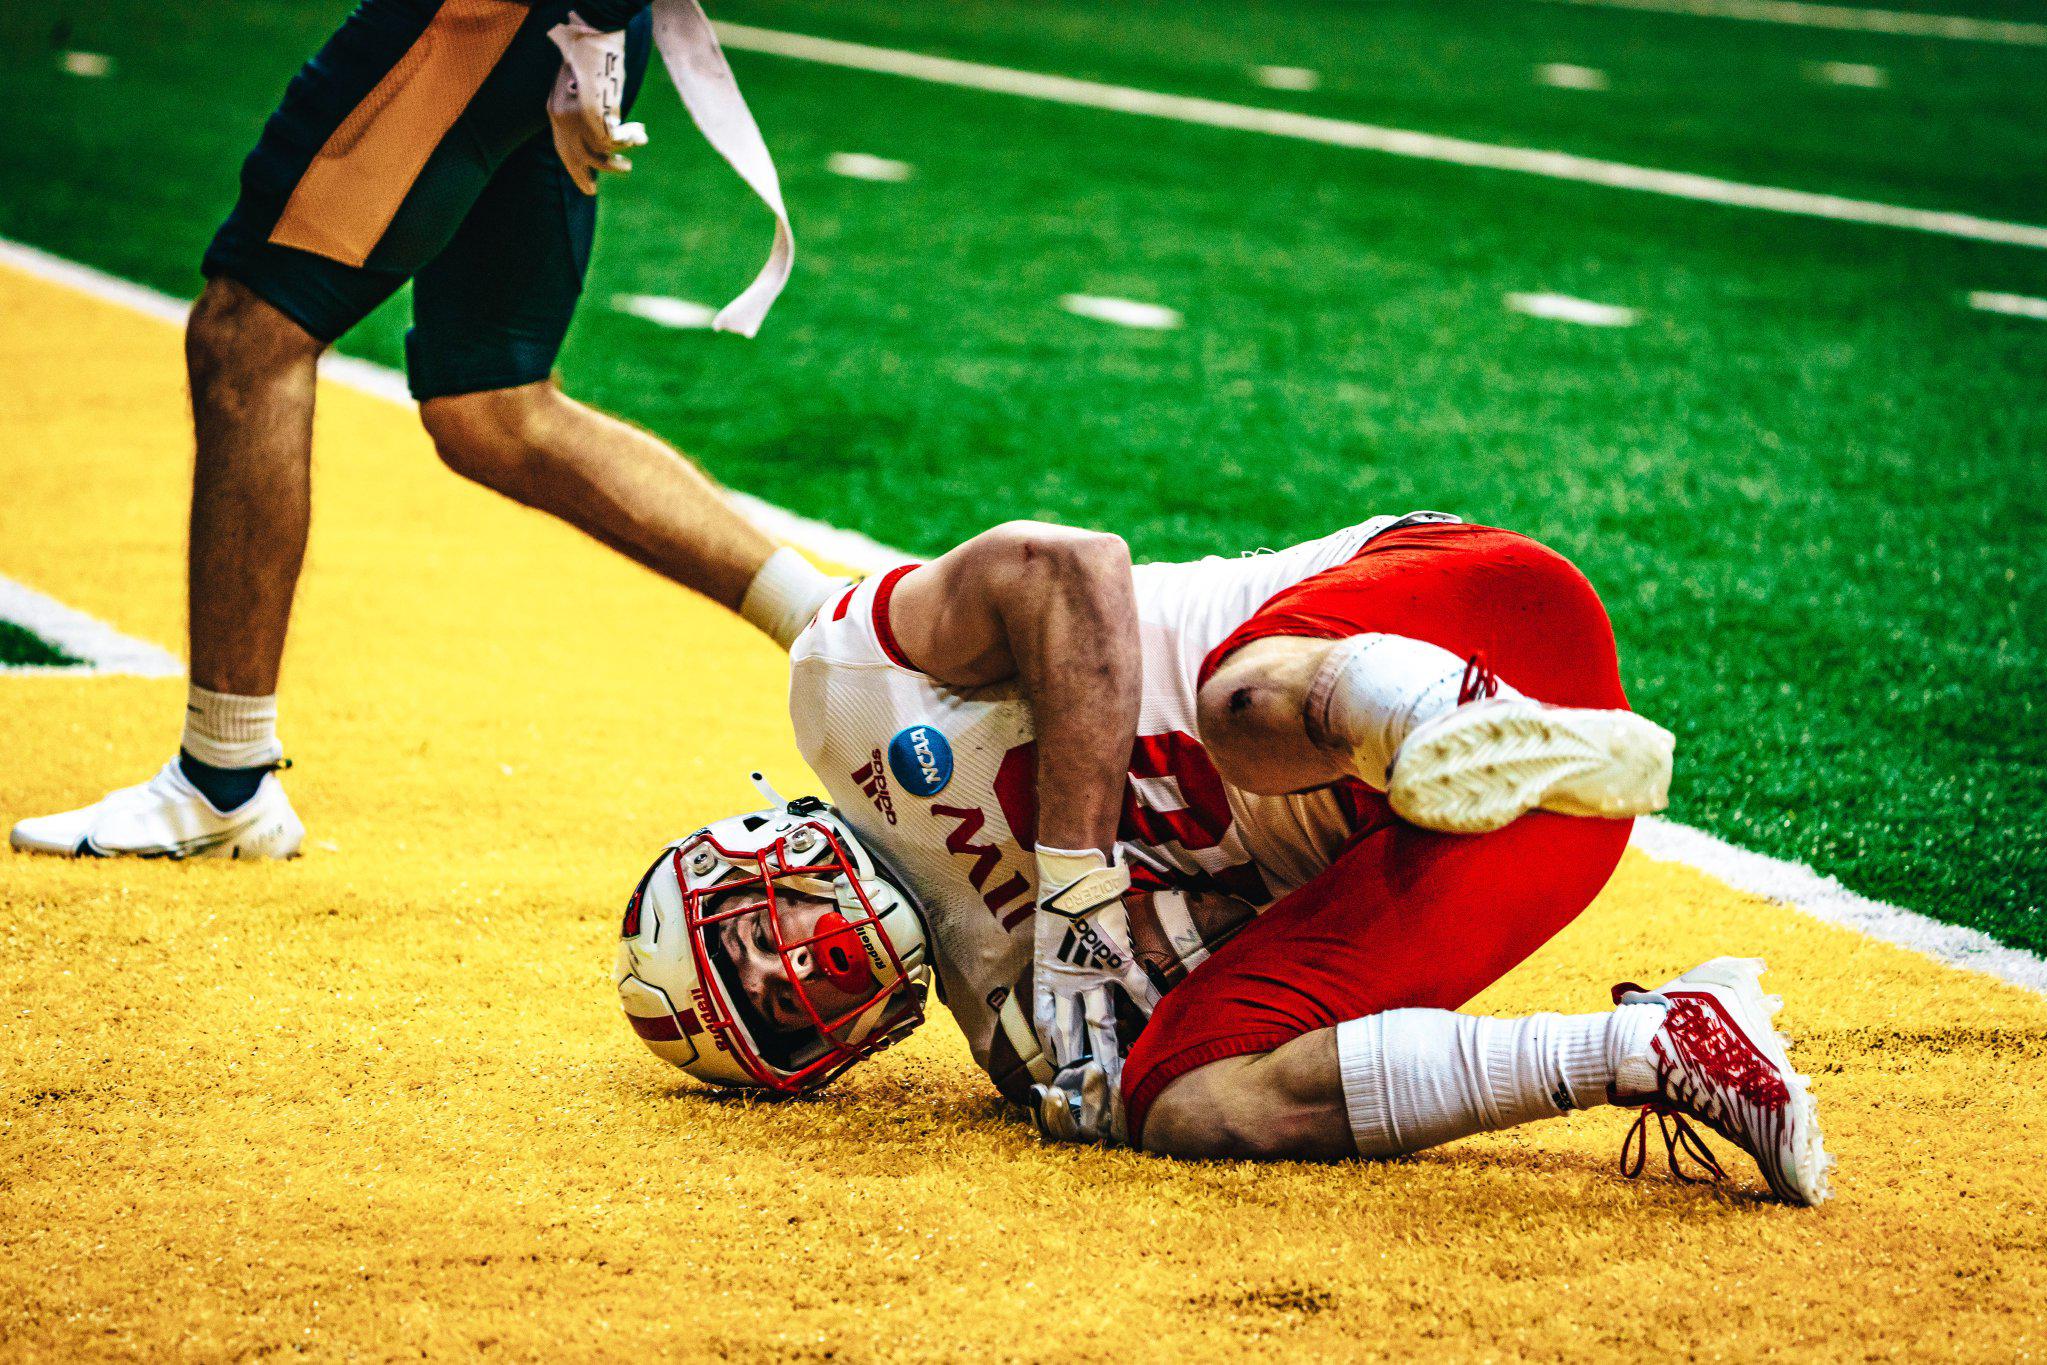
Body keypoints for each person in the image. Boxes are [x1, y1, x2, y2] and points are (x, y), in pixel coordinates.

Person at [611, 511, 1833, 1205]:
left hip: (1462, 617)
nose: (798, 969)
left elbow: (1068, 568)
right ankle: (1659, 1044)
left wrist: (1085, 890)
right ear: (828, 1057)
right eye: (775, 1017)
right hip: (1520, 842)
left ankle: (1441, 717)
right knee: (1182, 1108)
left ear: (743, 856)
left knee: (1234, 714)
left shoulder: (845, 691)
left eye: (745, 952)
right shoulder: (1008, 1032)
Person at [12, 0, 791, 859]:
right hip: (555, 31)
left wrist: (595, 17)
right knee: (493, 407)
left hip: (487, 20)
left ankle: (221, 778)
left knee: (250, 335)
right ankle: (853, 629)